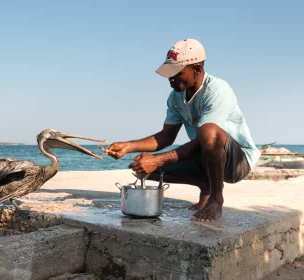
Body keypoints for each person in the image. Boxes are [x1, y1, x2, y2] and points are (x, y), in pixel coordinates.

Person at [103, 38, 261, 222]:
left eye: (176, 73)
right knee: (142, 165)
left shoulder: (217, 90)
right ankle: (205, 185)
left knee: (207, 131)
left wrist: (158, 159)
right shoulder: (175, 97)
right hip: (204, 156)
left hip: (236, 162)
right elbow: (166, 137)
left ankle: (217, 199)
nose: (170, 78)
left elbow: (207, 139)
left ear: (197, 70)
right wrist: (128, 146)